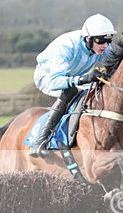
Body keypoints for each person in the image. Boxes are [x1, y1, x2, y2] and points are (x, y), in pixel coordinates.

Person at [30, 13, 117, 157]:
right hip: (48, 76)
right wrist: (83, 79)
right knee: (70, 92)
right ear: (88, 38)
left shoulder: (101, 46)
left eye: (109, 40)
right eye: (101, 41)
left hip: (72, 77)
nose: (105, 45)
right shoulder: (67, 46)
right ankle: (41, 141)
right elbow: (54, 81)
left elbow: (116, 64)